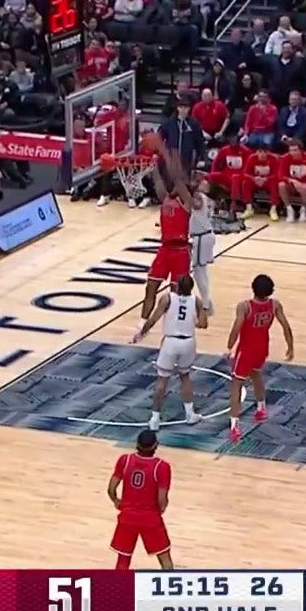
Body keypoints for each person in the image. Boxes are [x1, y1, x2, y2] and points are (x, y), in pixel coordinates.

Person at [132, 275, 208, 431]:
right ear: (191, 287)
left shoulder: (167, 298)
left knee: (162, 381)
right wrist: (194, 318)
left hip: (170, 342)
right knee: (185, 376)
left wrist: (141, 333)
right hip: (188, 342)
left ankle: (155, 419)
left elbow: (153, 319)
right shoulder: (197, 301)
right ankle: (190, 414)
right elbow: (203, 324)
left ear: (177, 286)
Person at [225, 274, 294, 441]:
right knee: (256, 375)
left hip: (246, 350)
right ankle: (261, 408)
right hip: (262, 347)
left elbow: (236, 329)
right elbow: (286, 326)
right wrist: (290, 346)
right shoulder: (275, 305)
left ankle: (234, 426)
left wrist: (229, 347)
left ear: (253, 288)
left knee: (236, 385)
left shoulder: (244, 307)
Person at [107, 429, 175, 570]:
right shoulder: (162, 467)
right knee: (165, 560)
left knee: (123, 560)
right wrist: (160, 510)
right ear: (156, 445)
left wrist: (116, 501)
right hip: (150, 518)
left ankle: (118, 590)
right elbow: (162, 499)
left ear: (137, 443)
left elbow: (111, 488)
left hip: (127, 517)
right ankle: (169, 589)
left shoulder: (125, 460)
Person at [141, 154, 193, 320]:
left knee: (175, 294)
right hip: (165, 250)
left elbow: (178, 179)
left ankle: (171, 324)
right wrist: (155, 167)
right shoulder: (165, 198)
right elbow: (158, 184)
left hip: (181, 252)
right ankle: (141, 325)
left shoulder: (186, 201)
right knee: (150, 288)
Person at [188, 179, 218, 315]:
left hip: (202, 237)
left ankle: (206, 305)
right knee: (202, 270)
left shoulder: (199, 197)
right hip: (205, 236)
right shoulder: (208, 200)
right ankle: (207, 301)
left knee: (198, 271)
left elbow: (196, 204)